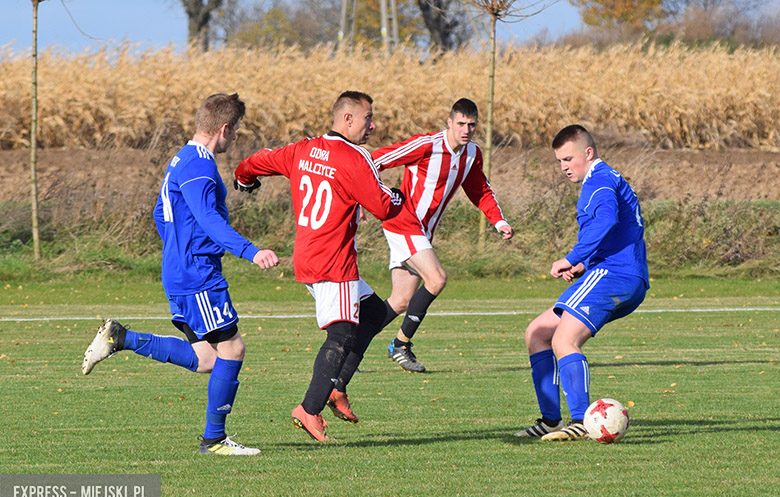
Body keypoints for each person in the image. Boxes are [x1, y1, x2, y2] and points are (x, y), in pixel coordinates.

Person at [81, 93, 279, 456]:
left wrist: (177, 246)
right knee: (233, 349)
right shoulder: (200, 166)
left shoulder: (181, 159)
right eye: (236, 131)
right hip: (198, 275)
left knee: (207, 359)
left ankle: (121, 337)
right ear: (224, 128)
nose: (236, 138)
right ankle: (214, 441)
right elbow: (209, 219)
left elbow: (160, 212)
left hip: (181, 270)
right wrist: (251, 251)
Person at [234, 90, 405, 441]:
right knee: (341, 333)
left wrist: (244, 176)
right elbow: (382, 206)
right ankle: (309, 408)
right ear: (348, 119)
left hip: (309, 255)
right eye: (368, 117)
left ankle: (336, 387)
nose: (373, 125)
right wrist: (398, 195)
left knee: (373, 313)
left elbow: (261, 159)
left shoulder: (303, 149)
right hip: (333, 260)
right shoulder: (354, 157)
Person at [514, 124, 648, 441]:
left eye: (568, 159)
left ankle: (579, 421)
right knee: (537, 333)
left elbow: (606, 219)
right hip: (616, 274)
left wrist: (573, 257)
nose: (564, 167)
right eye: (559, 161)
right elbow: (616, 230)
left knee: (563, 341)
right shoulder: (604, 178)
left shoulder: (599, 180)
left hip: (615, 274)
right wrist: (583, 263)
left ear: (588, 153)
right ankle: (550, 420)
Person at [369, 97, 514, 372]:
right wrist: (368, 199)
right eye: (461, 123)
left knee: (401, 300)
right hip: (403, 222)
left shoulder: (472, 154)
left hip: (422, 232)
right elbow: (374, 160)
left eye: (471, 125)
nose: (466, 130)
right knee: (436, 279)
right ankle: (400, 345)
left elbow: (480, 190)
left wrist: (499, 222)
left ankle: (350, 344)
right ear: (449, 122)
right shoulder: (427, 145)